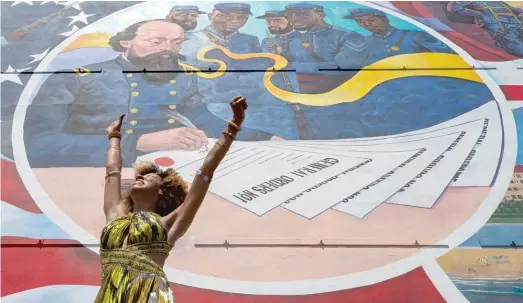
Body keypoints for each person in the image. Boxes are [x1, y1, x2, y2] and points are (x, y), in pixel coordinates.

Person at [24, 19, 269, 168]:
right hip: (102, 171)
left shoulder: (184, 75)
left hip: (176, 168)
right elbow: (37, 143)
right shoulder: (76, 77)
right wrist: (138, 143)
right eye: (157, 42)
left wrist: (263, 139)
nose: (168, 50)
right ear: (126, 43)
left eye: (176, 43)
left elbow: (203, 120)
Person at [94, 96, 248, 303]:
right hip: (110, 297)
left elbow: (206, 171)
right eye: (140, 175)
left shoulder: (169, 224)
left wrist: (233, 126)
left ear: (161, 192)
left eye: (149, 177)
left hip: (148, 295)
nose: (139, 177)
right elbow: (113, 170)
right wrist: (114, 136)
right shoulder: (115, 215)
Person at [181, 3, 300, 140]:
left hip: (254, 104)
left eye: (241, 17)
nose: (234, 21)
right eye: (225, 16)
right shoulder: (190, 40)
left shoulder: (249, 40)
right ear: (210, 15)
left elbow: (259, 72)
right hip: (212, 106)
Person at [283, 3, 368, 93]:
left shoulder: (348, 36)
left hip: (343, 95)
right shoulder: (295, 40)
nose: (294, 19)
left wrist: (292, 65)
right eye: (289, 16)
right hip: (305, 97)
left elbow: (344, 68)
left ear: (321, 15)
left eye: (302, 14)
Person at [342, 8, 453, 66]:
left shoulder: (416, 36)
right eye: (360, 21)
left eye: (371, 20)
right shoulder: (364, 43)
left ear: (385, 19)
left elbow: (451, 58)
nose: (367, 24)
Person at [447, 1, 523, 57]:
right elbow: (453, 8)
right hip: (501, 30)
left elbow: (516, 10)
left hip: (517, 26)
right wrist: (479, 14)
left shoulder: (499, 2)